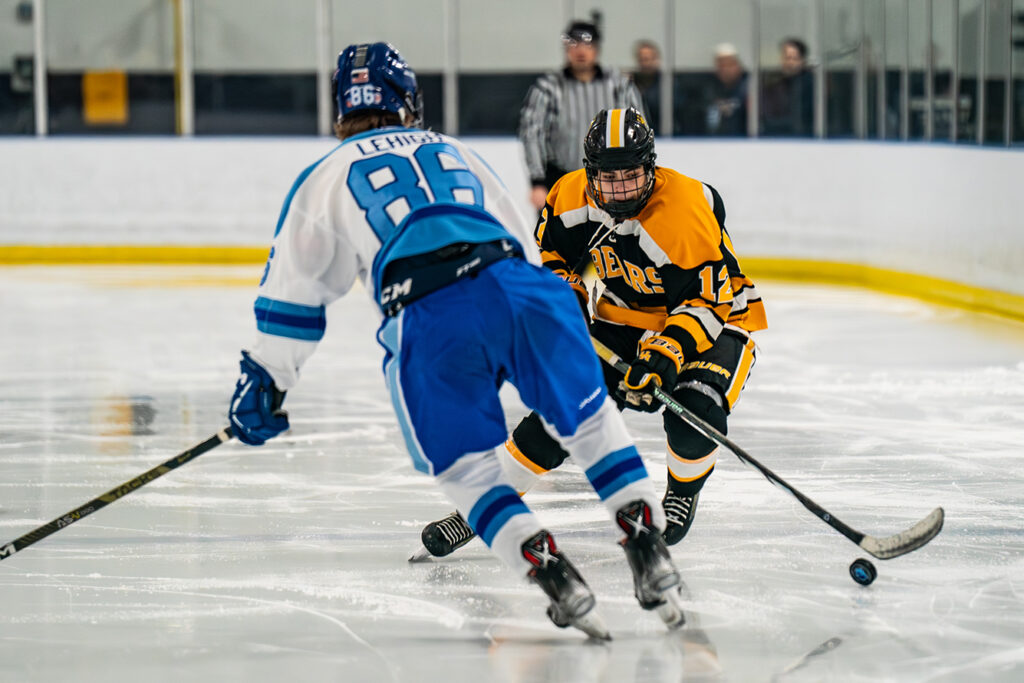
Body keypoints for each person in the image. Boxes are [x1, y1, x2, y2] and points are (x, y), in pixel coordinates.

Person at [227, 43, 686, 639]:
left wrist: (265, 382)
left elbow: (294, 299)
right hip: (520, 289)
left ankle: (547, 567)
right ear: (409, 100)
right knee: (590, 421)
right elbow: (525, 245)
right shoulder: (452, 149)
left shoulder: (323, 177)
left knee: (467, 472)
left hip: (428, 313)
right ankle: (647, 542)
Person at [420, 106, 767, 557]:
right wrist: (567, 303)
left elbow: (704, 300)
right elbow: (548, 260)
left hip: (716, 320)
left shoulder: (684, 211)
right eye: (608, 177)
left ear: (651, 167)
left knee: (694, 410)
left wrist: (666, 354)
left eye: (631, 175)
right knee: (562, 413)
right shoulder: (569, 196)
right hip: (622, 316)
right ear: (589, 172)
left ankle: (682, 491)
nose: (620, 189)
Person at [519, 20, 646, 214]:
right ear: (566, 49)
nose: (580, 51)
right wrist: (537, 181)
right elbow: (532, 134)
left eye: (587, 44)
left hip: (611, 179)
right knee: (559, 242)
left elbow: (638, 129)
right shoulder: (548, 87)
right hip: (560, 179)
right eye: (574, 44)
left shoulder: (618, 85)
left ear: (597, 49)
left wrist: (638, 174)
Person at [761, 37, 814, 136]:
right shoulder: (779, 83)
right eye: (786, 58)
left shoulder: (809, 85)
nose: (789, 63)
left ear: (802, 61)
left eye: (794, 58)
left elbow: (799, 121)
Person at [703, 43, 748, 136]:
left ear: (738, 66)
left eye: (729, 64)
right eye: (721, 65)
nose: (725, 69)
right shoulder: (710, 89)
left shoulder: (748, 88)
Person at [631, 39, 662, 133]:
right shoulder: (631, 85)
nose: (646, 64)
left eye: (648, 59)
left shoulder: (666, 86)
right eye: (642, 59)